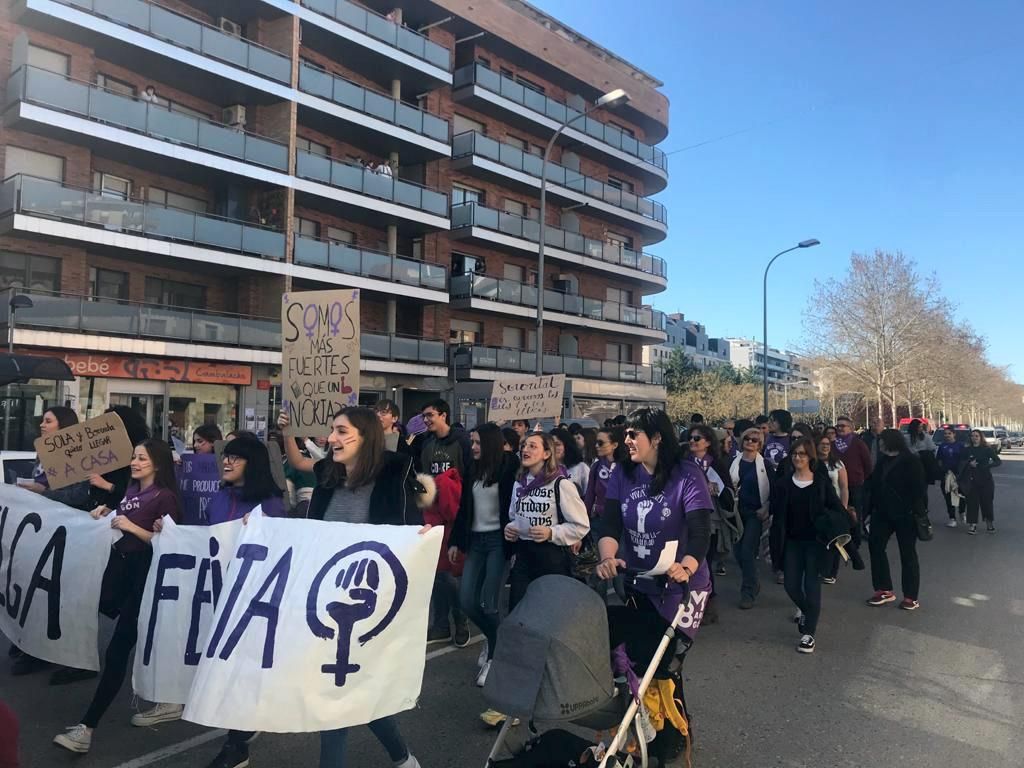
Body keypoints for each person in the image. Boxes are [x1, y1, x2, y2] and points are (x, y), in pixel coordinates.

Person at [53, 440, 180, 754]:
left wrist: (133, 527)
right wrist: (107, 512)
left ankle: (87, 728)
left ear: (158, 464)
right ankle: (171, 696)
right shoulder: (132, 492)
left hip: (144, 578)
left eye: (142, 458)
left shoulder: (167, 498)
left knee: (118, 649)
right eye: (133, 457)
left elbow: (170, 546)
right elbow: (121, 522)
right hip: (121, 574)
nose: (135, 463)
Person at [595, 408, 713, 702]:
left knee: (664, 663)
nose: (627, 441)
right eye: (625, 435)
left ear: (657, 438)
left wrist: (686, 567)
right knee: (639, 658)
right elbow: (609, 522)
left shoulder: (687, 475)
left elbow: (700, 532)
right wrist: (608, 557)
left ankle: (673, 734)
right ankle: (645, 728)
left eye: (634, 435)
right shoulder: (623, 473)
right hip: (639, 581)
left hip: (682, 584)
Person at [449, 423, 517, 688]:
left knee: (491, 603)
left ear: (489, 444)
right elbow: (465, 508)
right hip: (476, 541)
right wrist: (456, 540)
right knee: (466, 600)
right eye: (471, 442)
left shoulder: (508, 467)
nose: (473, 447)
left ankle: (497, 657)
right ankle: (494, 641)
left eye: (477, 443)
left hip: (498, 542)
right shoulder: (473, 469)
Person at [769, 437, 846, 654]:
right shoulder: (783, 483)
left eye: (802, 454)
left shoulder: (820, 483)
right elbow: (776, 512)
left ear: (810, 457)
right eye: (794, 454)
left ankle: (809, 634)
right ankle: (807, 611)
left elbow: (836, 508)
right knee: (791, 585)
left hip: (816, 543)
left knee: (812, 584)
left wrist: (838, 528)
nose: (797, 458)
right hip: (792, 541)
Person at [504, 433, 589, 609]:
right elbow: (514, 516)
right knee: (519, 610)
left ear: (547, 454)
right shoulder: (519, 484)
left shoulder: (560, 484)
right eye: (524, 446)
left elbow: (581, 525)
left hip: (551, 557)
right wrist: (511, 528)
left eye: (532, 446)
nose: (525, 450)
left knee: (550, 612)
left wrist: (552, 532)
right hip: (523, 556)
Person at [419, 400, 471, 647]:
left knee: (452, 575)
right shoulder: (427, 445)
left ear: (444, 415)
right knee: (437, 574)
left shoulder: (462, 443)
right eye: (424, 416)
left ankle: (460, 622)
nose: (426, 419)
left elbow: (469, 475)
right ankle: (440, 625)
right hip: (433, 515)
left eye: (430, 415)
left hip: (456, 513)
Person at [865, 429, 926, 609]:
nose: (879, 444)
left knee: (907, 554)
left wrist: (911, 509)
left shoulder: (911, 461)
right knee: (875, 547)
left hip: (905, 515)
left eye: (882, 441)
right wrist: (867, 510)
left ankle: (910, 596)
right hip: (882, 514)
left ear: (891, 441)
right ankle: (883, 589)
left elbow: (919, 489)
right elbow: (873, 486)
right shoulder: (882, 461)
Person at [687, 424, 735, 624]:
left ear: (707, 442)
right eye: (691, 437)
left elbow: (729, 495)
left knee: (704, 561)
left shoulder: (716, 464)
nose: (692, 441)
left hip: (711, 520)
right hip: (687, 519)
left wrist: (714, 489)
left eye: (697, 438)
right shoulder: (684, 463)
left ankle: (708, 605)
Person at [729, 428, 772, 608]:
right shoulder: (732, 463)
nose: (750, 442)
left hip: (755, 513)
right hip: (735, 513)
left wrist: (767, 506)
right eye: (747, 438)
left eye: (755, 440)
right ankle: (753, 581)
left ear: (760, 444)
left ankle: (748, 592)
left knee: (747, 551)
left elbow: (774, 489)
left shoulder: (766, 465)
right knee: (738, 552)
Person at [831, 415, 871, 569]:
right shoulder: (833, 444)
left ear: (851, 428)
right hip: (836, 486)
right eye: (838, 425)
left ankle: (855, 541)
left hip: (855, 485)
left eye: (843, 426)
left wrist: (861, 478)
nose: (840, 428)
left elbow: (867, 464)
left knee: (854, 515)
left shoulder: (858, 444)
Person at [818, 435, 852, 585]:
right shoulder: (812, 463)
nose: (825, 446)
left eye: (827, 444)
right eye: (822, 444)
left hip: (835, 506)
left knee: (834, 540)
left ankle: (831, 572)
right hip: (819, 507)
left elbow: (844, 487)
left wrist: (844, 507)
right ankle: (820, 568)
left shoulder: (837, 464)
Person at [959, 429, 1001, 535]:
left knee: (987, 503)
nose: (974, 438)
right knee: (972, 503)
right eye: (972, 436)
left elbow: (998, 461)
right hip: (971, 480)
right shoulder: (967, 450)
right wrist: (969, 464)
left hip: (986, 480)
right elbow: (961, 463)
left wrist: (986, 466)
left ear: (981, 437)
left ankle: (989, 523)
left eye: (977, 436)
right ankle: (972, 525)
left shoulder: (987, 449)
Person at [936, 427, 965, 527]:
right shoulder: (942, 446)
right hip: (947, 475)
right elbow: (939, 459)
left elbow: (964, 460)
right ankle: (952, 518)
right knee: (948, 497)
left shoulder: (960, 446)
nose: (947, 435)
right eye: (945, 434)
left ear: (954, 434)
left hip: (958, 475)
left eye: (949, 433)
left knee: (960, 495)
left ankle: (962, 511)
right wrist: (942, 470)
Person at [550, 426, 590, 495]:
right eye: (550, 444)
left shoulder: (581, 468)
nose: (553, 448)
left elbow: (589, 494)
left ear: (567, 446)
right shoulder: (544, 468)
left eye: (557, 444)